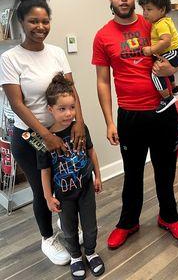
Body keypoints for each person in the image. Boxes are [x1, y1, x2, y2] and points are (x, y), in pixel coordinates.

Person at [92, 0, 178, 249]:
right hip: (129, 116)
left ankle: (168, 217)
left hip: (163, 112)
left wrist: (174, 69)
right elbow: (102, 81)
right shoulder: (103, 36)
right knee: (132, 172)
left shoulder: (153, 22)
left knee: (165, 170)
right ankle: (128, 222)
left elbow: (176, 54)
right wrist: (109, 121)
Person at [0, 0, 86, 265]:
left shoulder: (57, 53)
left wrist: (79, 123)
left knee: (64, 181)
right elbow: (17, 104)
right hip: (30, 137)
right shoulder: (10, 59)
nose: (40, 26)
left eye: (45, 21)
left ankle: (66, 223)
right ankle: (48, 238)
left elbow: (71, 91)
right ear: (22, 22)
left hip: (61, 133)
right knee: (41, 188)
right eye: (33, 21)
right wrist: (46, 136)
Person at [37, 73, 104, 279]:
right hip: (64, 195)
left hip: (85, 189)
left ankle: (91, 252)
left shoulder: (81, 129)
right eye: (62, 109)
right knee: (69, 228)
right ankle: (75, 256)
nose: (69, 114)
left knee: (90, 225)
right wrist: (48, 197)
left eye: (72, 107)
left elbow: (91, 152)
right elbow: (45, 170)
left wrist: (97, 176)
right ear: (51, 109)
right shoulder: (46, 140)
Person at [137, 0, 178, 113]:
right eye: (143, 9)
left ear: (162, 10)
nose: (145, 13)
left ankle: (167, 98)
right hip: (176, 52)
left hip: (173, 52)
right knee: (165, 69)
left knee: (156, 73)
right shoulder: (160, 22)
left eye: (149, 9)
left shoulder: (161, 24)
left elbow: (166, 41)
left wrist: (151, 50)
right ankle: (174, 88)